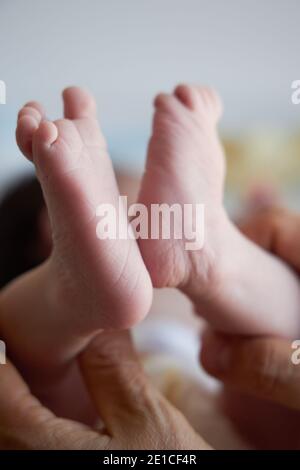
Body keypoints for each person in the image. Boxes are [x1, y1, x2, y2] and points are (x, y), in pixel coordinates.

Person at [1, 84, 300, 424]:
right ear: (50, 231)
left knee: (272, 346)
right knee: (20, 362)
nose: (152, 206)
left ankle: (218, 261)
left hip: (203, 411)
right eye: (142, 209)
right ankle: (69, 290)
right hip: (204, 409)